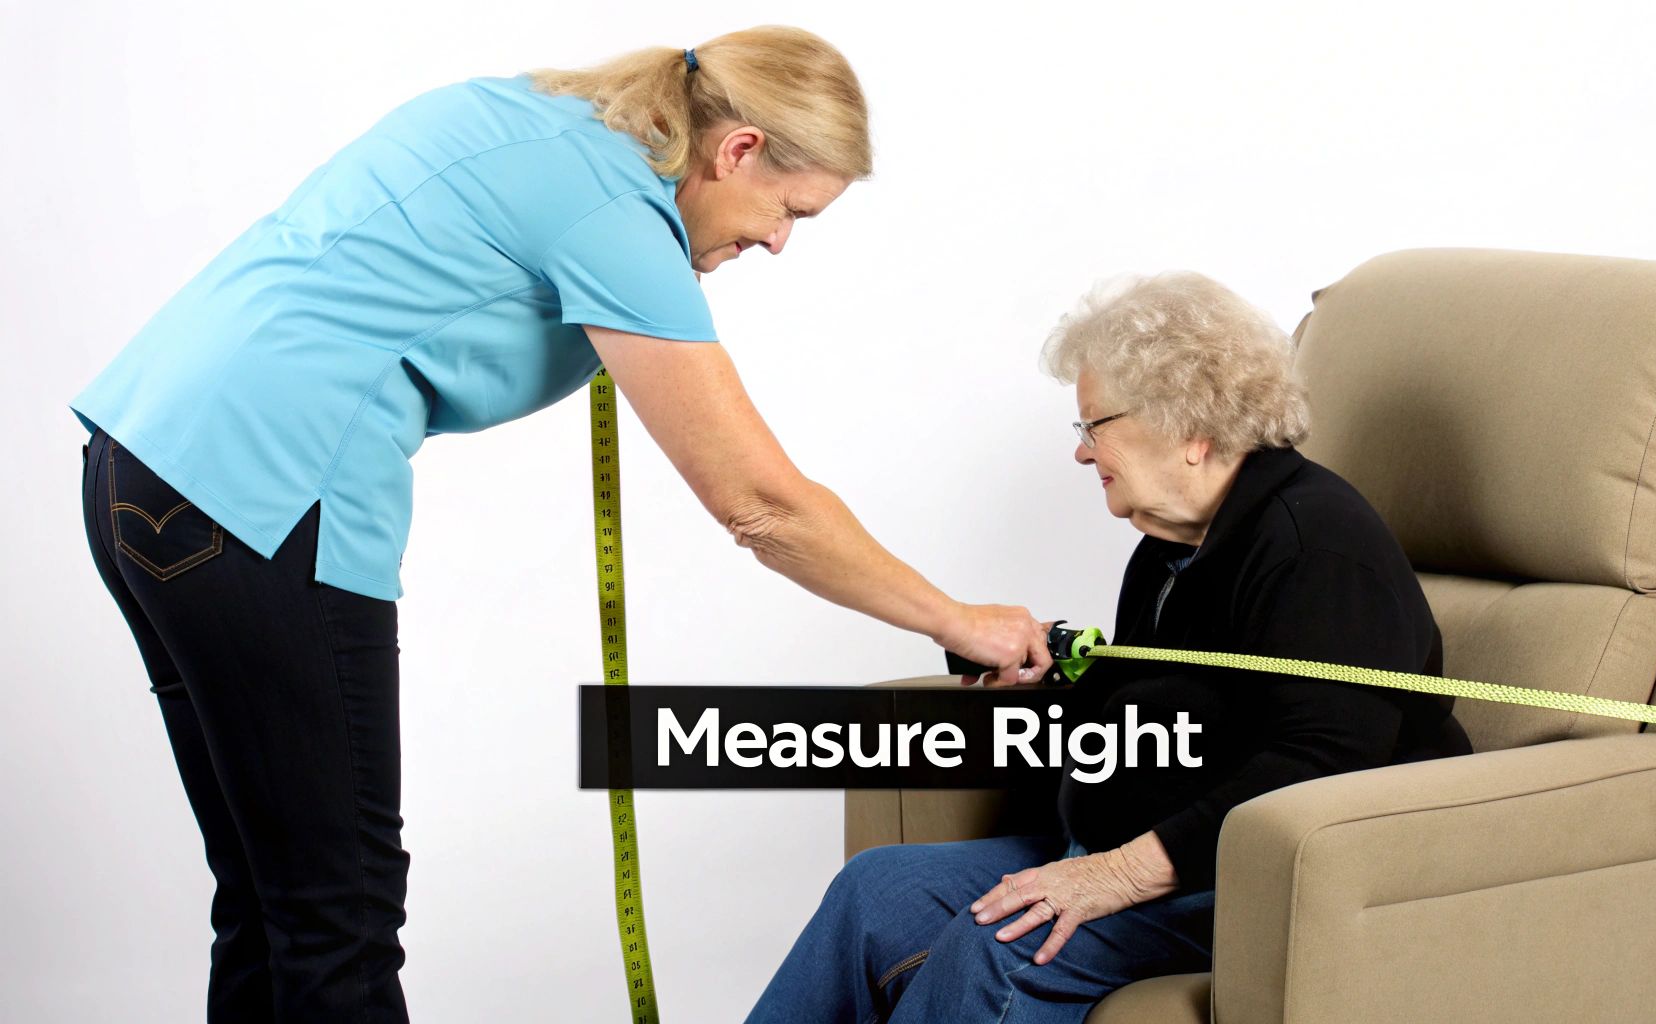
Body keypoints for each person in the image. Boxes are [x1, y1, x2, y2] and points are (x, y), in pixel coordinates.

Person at [73, 25, 1051, 1023]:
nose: (776, 242)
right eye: (787, 211)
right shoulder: (611, 208)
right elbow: (758, 502)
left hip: (143, 467)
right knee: (340, 914)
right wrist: (953, 618)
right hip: (267, 497)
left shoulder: (542, 123)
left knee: (275, 898)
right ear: (738, 149)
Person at [744, 270, 1473, 1023]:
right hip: (1123, 846)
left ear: (1188, 425)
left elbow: (1322, 764)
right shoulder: (1167, 549)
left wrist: (1115, 875)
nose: (1083, 455)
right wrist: (1040, 702)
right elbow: (1150, 710)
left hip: (1248, 880)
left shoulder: (1316, 545)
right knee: (876, 894)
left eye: (1095, 426)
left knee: (1004, 945)